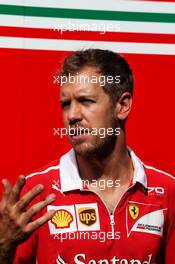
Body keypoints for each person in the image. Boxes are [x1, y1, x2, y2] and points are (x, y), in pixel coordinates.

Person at [0, 49, 174, 264]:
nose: (72, 115)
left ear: (122, 105)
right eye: (66, 104)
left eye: (86, 101)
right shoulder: (36, 193)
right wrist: (4, 246)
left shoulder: (166, 192)